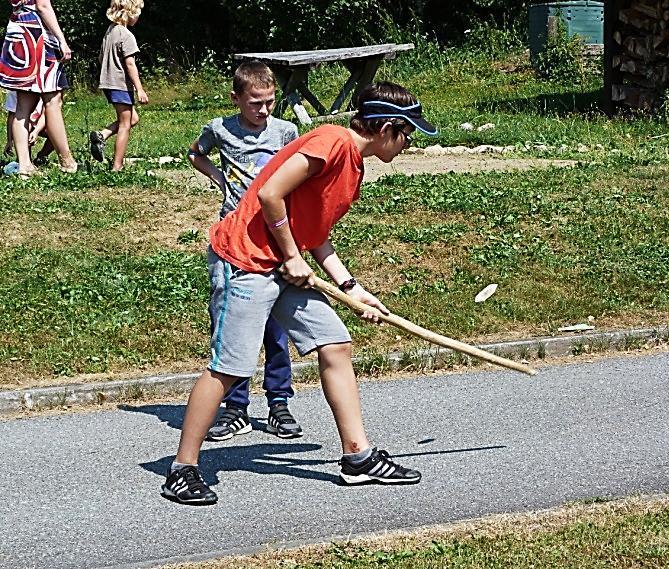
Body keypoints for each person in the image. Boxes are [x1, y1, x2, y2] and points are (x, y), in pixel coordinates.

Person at [161, 81, 438, 505]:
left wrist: (353, 288)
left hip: (285, 265)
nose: (408, 144)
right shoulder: (330, 141)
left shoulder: (354, 167)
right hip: (246, 260)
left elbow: (317, 235)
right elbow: (270, 194)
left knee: (336, 345)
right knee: (231, 367)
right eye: (407, 133)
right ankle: (182, 468)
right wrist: (291, 258)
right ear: (386, 128)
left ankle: (357, 457)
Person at [187, 61, 302, 441]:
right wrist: (219, 178)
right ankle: (235, 407)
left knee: (276, 325)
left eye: (269, 102)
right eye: (255, 103)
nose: (264, 110)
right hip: (233, 241)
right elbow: (196, 153)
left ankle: (279, 402)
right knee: (232, 322)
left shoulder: (286, 132)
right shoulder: (220, 129)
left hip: (272, 237)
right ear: (236, 99)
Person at [0, 0, 78, 176]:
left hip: (18, 32)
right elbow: (43, 6)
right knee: (53, 99)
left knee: (23, 105)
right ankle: (67, 160)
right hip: (36, 36)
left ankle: (24, 165)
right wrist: (62, 40)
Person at [89, 0, 148, 171]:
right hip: (120, 84)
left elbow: (101, 58)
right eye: (138, 12)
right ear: (130, 12)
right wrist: (140, 89)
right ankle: (117, 167)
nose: (138, 16)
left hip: (108, 83)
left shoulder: (110, 32)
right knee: (125, 125)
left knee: (132, 119)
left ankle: (103, 134)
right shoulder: (126, 35)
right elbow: (130, 65)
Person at [4, 90, 55, 167]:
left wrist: (36, 131)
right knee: (26, 127)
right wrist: (9, 140)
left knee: (55, 134)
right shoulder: (14, 91)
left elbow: (45, 114)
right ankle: (26, 160)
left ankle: (41, 157)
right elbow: (11, 116)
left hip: (41, 122)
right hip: (25, 124)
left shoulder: (45, 88)